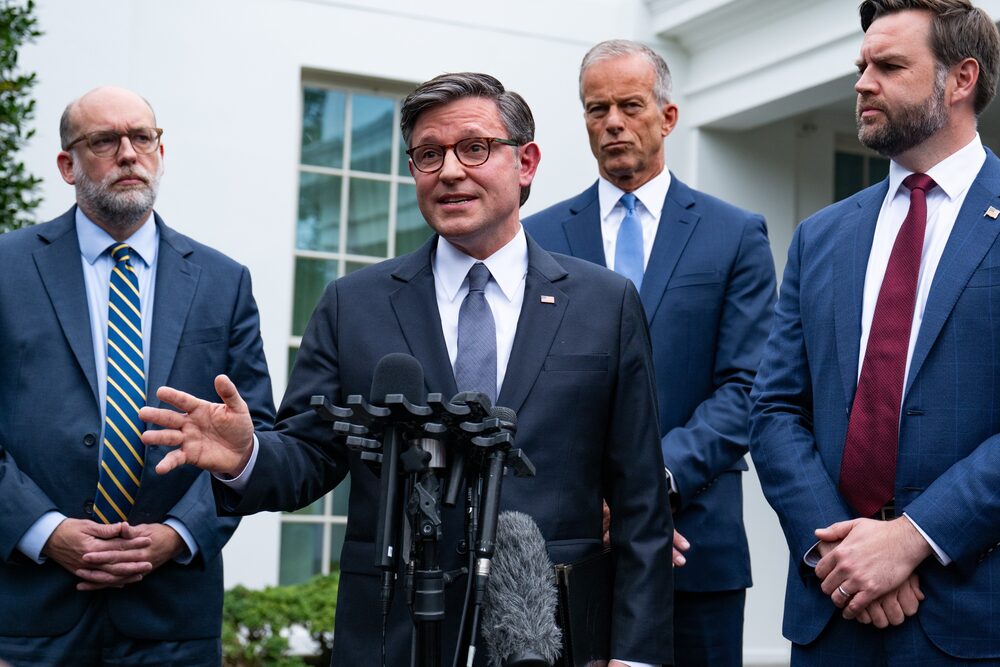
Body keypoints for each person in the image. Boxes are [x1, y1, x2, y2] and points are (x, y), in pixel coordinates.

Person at [140, 72, 674, 667]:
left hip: (555, 631)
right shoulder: (354, 304)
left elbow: (641, 501)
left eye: (473, 148)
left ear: (526, 163)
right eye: (427, 155)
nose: (449, 171)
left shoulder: (605, 303)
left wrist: (635, 654)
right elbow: (311, 455)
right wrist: (247, 457)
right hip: (391, 633)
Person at [749, 1, 1000, 663]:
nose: (862, 82)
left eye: (888, 65)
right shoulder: (821, 236)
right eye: (861, 65)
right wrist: (838, 551)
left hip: (970, 613)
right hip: (830, 612)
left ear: (962, 78)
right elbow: (775, 410)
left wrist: (915, 536)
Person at [0, 86, 275, 665]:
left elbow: (255, 439)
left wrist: (179, 533)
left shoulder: (224, 283)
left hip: (173, 616)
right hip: (28, 611)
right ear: (66, 165)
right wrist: (44, 530)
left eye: (142, 137)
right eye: (104, 140)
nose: (128, 153)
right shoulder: (8, 268)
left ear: (160, 150)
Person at [524, 40, 776, 666]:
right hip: (569, 547)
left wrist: (649, 487)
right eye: (595, 108)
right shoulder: (537, 238)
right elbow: (527, 388)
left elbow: (749, 386)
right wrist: (597, 504)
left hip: (696, 545)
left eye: (630, 105)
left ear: (666, 117)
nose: (612, 121)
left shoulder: (735, 234)